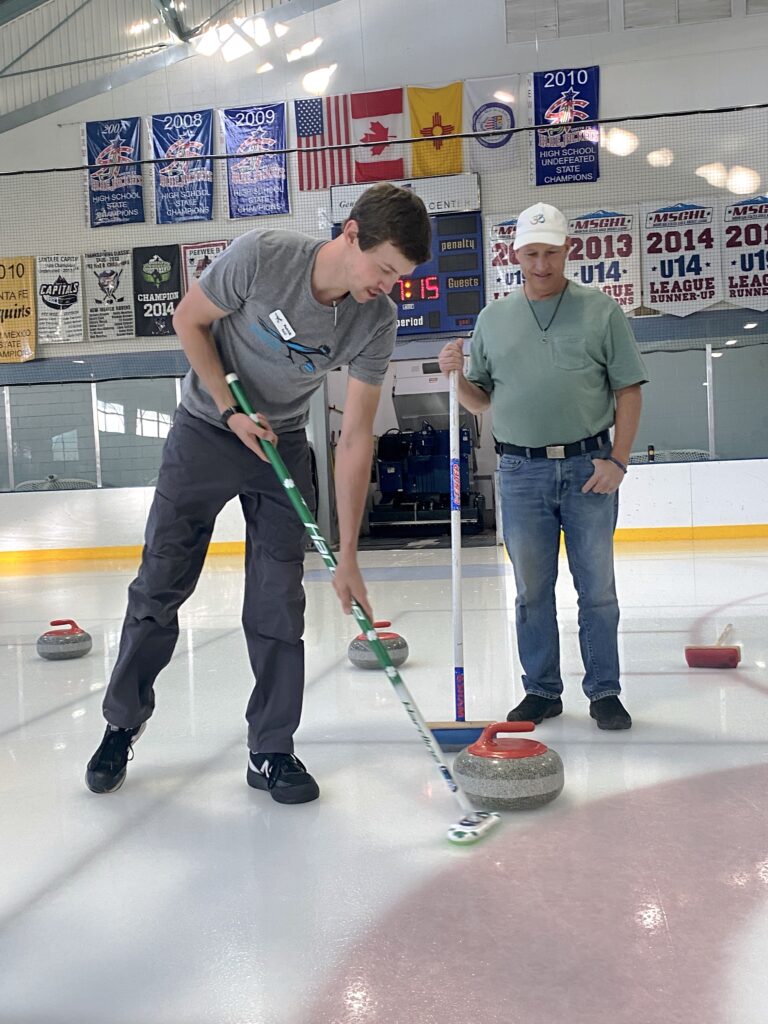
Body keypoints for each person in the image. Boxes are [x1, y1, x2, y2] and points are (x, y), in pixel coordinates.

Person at [86, 183, 432, 801]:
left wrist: (346, 551)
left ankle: (271, 749)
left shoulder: (375, 320)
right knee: (161, 582)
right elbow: (187, 320)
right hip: (207, 431)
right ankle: (122, 722)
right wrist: (229, 412)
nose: (388, 286)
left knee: (278, 601)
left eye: (398, 277)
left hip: (283, 445)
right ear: (350, 233)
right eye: (384, 269)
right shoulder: (264, 255)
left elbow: (355, 438)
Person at [439, 202, 647, 730]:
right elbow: (480, 400)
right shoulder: (493, 319)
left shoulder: (601, 311)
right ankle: (542, 690)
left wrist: (618, 460)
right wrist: (456, 377)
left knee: (597, 588)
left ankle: (604, 690)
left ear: (566, 250)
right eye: (531, 253)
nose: (541, 264)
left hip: (589, 468)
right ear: (516, 256)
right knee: (532, 590)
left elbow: (627, 390)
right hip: (520, 471)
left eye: (550, 253)